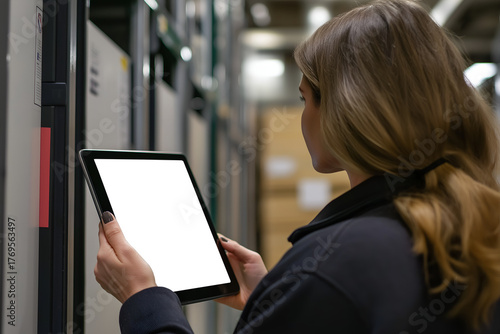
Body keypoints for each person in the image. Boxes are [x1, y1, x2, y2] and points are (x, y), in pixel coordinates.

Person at [94, 0, 500, 333]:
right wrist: (276, 303)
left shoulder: (339, 264)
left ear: (346, 110)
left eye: (305, 98)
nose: (302, 114)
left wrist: (143, 301)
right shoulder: (462, 224)